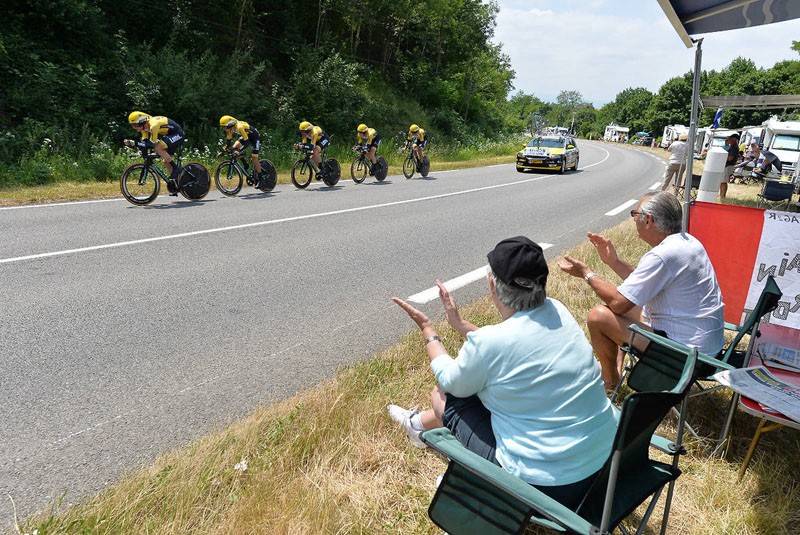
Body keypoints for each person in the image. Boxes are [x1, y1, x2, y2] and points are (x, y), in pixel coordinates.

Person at [388, 237, 617, 508]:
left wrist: (429, 331)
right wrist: (459, 324)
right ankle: (416, 427)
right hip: (606, 468)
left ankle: (472, 477)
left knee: (443, 397)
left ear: (492, 286)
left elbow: (449, 379)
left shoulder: (491, 344)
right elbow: (507, 344)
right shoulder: (558, 312)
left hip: (549, 490)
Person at [557, 192, 724, 388]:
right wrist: (614, 262)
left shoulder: (663, 255)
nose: (634, 219)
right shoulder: (688, 242)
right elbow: (641, 287)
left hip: (687, 356)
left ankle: (609, 380)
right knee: (624, 310)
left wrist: (587, 273)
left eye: (635, 214)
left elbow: (619, 304)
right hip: (708, 349)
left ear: (648, 220)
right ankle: (616, 372)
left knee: (599, 316)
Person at [124, 111, 185, 195]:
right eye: (133, 126)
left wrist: (134, 142)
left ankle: (176, 168)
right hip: (169, 135)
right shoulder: (144, 128)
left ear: (142, 122)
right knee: (166, 161)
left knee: (158, 147)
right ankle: (178, 185)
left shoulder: (153, 125)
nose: (135, 128)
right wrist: (135, 145)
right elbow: (144, 143)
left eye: (135, 125)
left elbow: (151, 144)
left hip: (178, 134)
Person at [219, 115, 268, 188]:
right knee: (233, 149)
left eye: (225, 127)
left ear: (230, 125)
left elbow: (247, 141)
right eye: (223, 127)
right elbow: (228, 142)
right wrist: (223, 150)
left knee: (254, 158)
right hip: (246, 135)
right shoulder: (229, 129)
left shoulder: (239, 127)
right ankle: (245, 163)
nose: (224, 129)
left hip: (254, 137)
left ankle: (261, 179)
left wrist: (239, 150)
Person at [720, 133, 740, 199]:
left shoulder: (734, 148)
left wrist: (722, 157)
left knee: (723, 181)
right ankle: (721, 194)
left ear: (734, 139)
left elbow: (730, 158)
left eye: (730, 139)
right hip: (727, 165)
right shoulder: (732, 147)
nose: (728, 140)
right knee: (722, 181)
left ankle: (723, 195)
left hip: (729, 165)